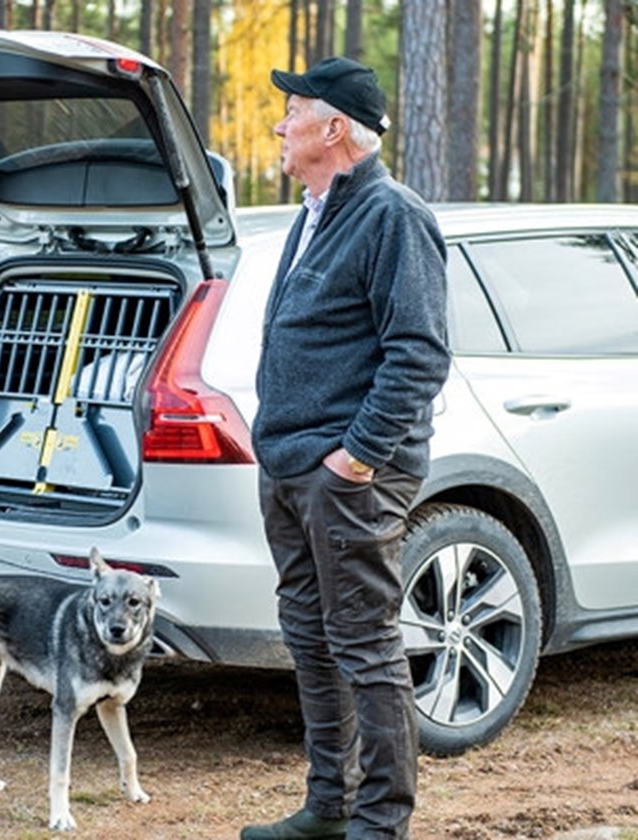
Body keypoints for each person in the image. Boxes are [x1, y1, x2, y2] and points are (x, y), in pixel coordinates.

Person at [241, 58, 450, 840]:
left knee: (364, 644)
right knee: (310, 637)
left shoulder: (392, 214)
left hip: (350, 475)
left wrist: (357, 456)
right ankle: (329, 807)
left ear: (333, 128)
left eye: (292, 112)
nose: (278, 126)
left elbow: (420, 353)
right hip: (292, 467)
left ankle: (380, 823)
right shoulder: (313, 212)